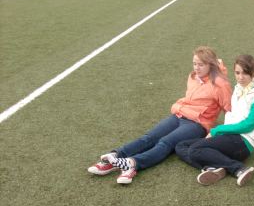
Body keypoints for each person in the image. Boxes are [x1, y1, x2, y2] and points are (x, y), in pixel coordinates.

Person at [87, 46, 232, 184]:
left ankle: (132, 164)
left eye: (200, 64)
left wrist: (224, 133)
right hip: (179, 115)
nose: (196, 68)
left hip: (197, 124)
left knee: (165, 142)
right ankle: (115, 156)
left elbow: (229, 110)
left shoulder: (221, 84)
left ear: (210, 65)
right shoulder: (193, 76)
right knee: (149, 137)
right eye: (194, 64)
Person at [175, 54, 254, 187]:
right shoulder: (239, 87)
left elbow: (250, 124)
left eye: (245, 73)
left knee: (195, 149)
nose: (240, 77)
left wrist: (217, 130)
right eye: (237, 73)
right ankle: (213, 168)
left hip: (242, 142)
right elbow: (238, 114)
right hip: (229, 137)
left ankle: (239, 168)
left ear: (253, 72)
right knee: (181, 146)